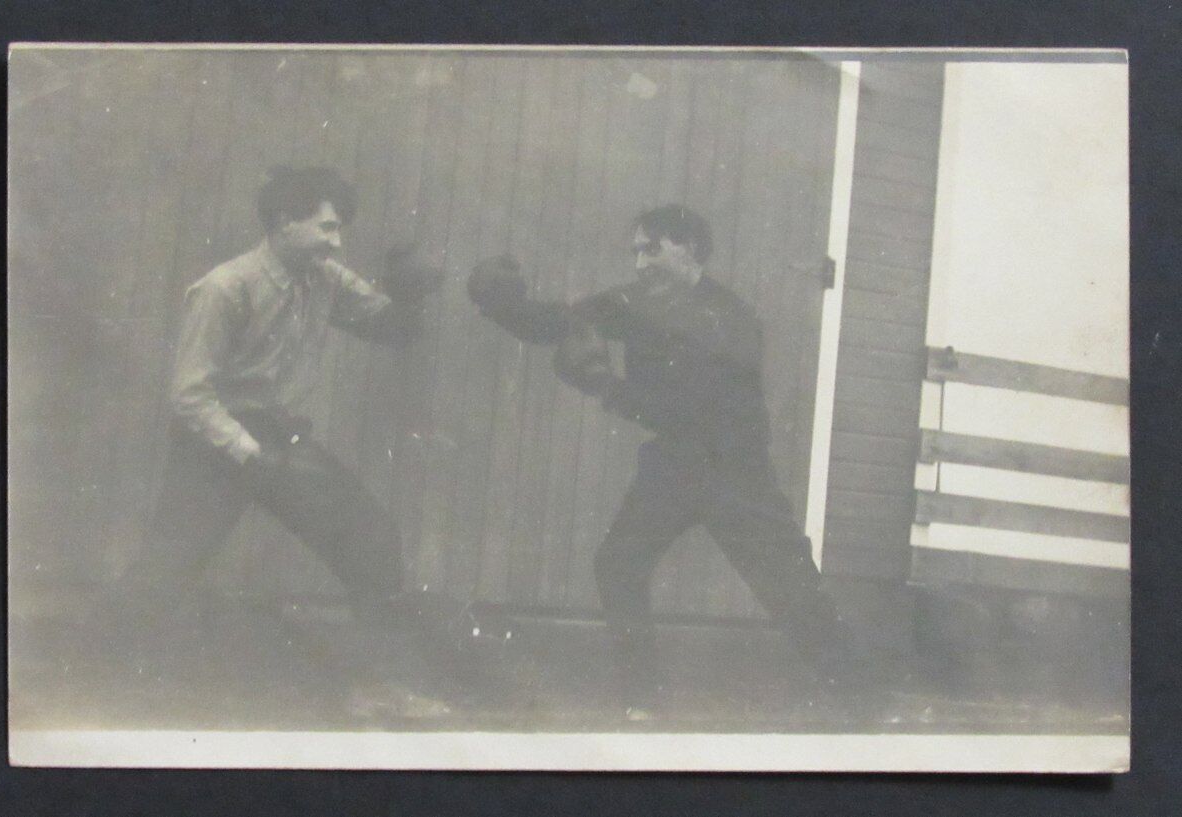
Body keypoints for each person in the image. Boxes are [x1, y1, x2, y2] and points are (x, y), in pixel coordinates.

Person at [468, 205, 858, 719]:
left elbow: (687, 408)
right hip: (675, 464)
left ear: (690, 248)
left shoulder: (729, 319)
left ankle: (858, 693)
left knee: (784, 582)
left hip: (733, 467)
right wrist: (502, 304)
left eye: (651, 247)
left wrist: (606, 386)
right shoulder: (634, 302)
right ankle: (641, 701)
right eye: (634, 251)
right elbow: (559, 320)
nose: (639, 262)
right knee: (618, 563)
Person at [112, 166, 448, 717]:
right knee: (162, 575)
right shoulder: (225, 288)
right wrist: (247, 453)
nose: (337, 241)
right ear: (283, 222)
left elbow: (388, 327)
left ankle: (381, 687)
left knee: (372, 539)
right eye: (327, 228)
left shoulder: (324, 276)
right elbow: (190, 394)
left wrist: (408, 296)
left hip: (282, 439)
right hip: (214, 444)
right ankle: (102, 695)